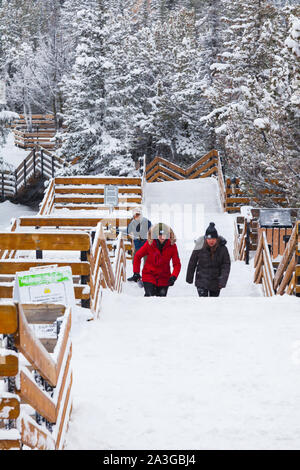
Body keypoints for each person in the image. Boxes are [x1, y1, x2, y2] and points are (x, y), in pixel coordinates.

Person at [130, 222, 181, 297]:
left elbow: (177, 264)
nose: (162, 237)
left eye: (164, 235)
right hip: (149, 275)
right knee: (150, 296)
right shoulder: (150, 243)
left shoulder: (172, 246)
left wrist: (174, 276)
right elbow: (137, 256)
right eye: (159, 235)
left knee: (160, 300)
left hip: (164, 278)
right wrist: (136, 272)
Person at [186, 222, 231, 297]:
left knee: (213, 305)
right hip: (202, 281)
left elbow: (226, 265)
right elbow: (192, 261)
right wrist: (189, 278)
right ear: (206, 238)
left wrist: (222, 281)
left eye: (213, 238)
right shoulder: (199, 246)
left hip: (216, 282)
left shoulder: (223, 249)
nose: (211, 241)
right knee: (203, 304)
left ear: (217, 238)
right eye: (209, 239)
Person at [116, 207, 151, 281]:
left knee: (147, 261)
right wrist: (117, 230)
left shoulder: (146, 222)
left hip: (146, 245)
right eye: (134, 215)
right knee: (135, 259)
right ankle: (136, 275)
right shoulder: (132, 223)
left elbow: (152, 231)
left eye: (137, 215)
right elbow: (127, 231)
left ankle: (146, 276)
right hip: (137, 245)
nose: (136, 217)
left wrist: (145, 236)